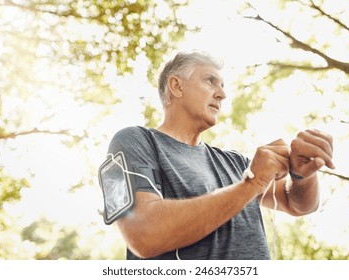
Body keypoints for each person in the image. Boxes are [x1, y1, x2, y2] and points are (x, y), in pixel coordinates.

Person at [106, 51, 334, 260]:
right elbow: (144, 236)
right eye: (210, 81)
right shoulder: (134, 141)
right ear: (176, 86)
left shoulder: (238, 163)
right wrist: (252, 184)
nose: (222, 94)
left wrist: (302, 175)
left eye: (223, 85)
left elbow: (298, 205)